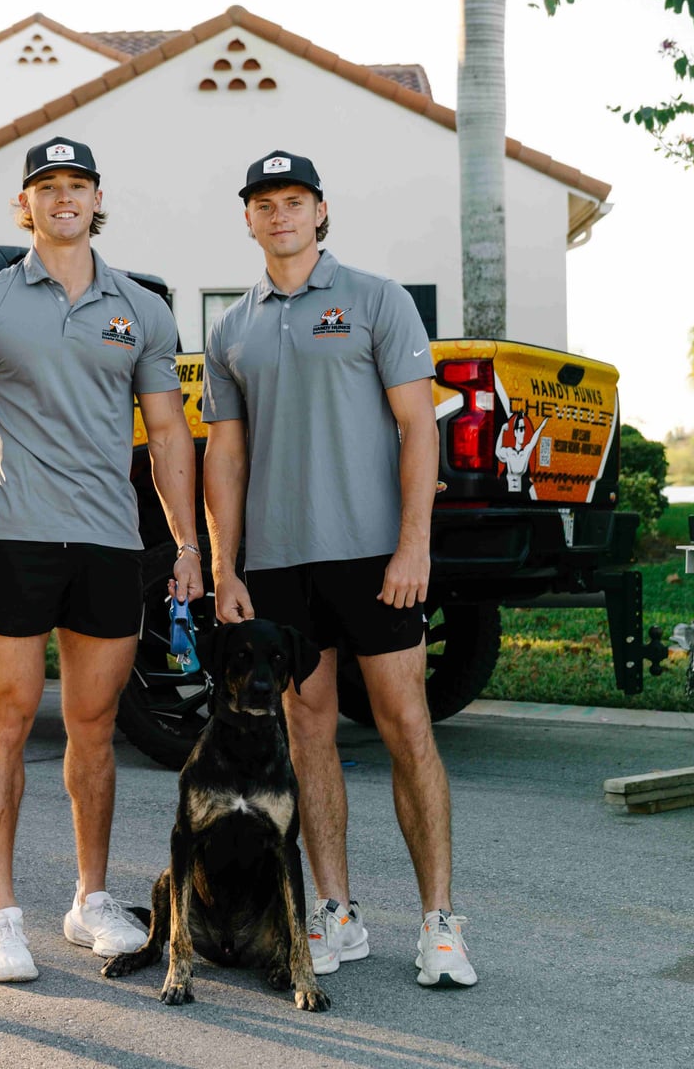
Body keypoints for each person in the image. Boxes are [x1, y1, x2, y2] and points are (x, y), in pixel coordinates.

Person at [0, 136, 202, 983]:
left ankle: (90, 900)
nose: (64, 197)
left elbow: (168, 433)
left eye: (78, 184)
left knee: (93, 727)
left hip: (111, 543)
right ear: (27, 203)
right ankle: (0, 916)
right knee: (6, 721)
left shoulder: (141, 309)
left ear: (97, 197)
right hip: (14, 540)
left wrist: (187, 545)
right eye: (47, 186)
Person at [201, 149, 476, 989]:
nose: (280, 214)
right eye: (265, 203)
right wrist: (224, 568)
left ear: (320, 211)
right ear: (247, 219)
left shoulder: (375, 300)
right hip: (278, 565)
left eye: (295, 201)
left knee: (406, 725)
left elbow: (419, 426)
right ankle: (336, 912)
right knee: (307, 734)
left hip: (374, 557)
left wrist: (414, 544)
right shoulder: (232, 328)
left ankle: (439, 924)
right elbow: (226, 454)